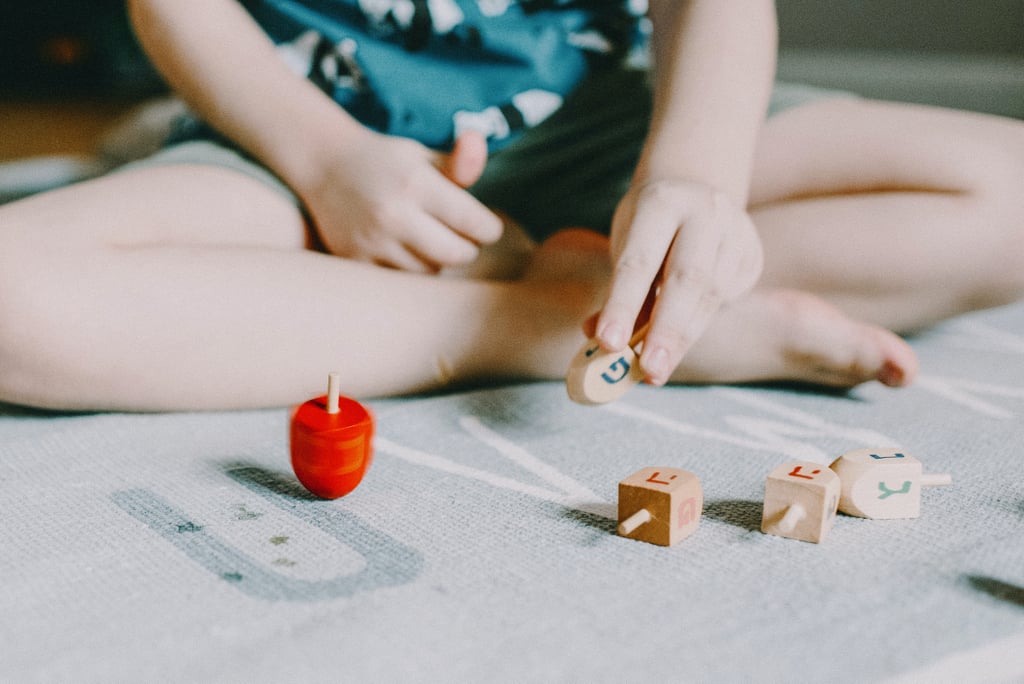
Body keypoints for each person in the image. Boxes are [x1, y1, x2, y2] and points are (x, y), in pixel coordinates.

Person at [0, 0, 1021, 412]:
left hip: (601, 122)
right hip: (310, 138)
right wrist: (322, 160)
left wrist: (696, 177)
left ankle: (621, 285)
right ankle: (557, 324)